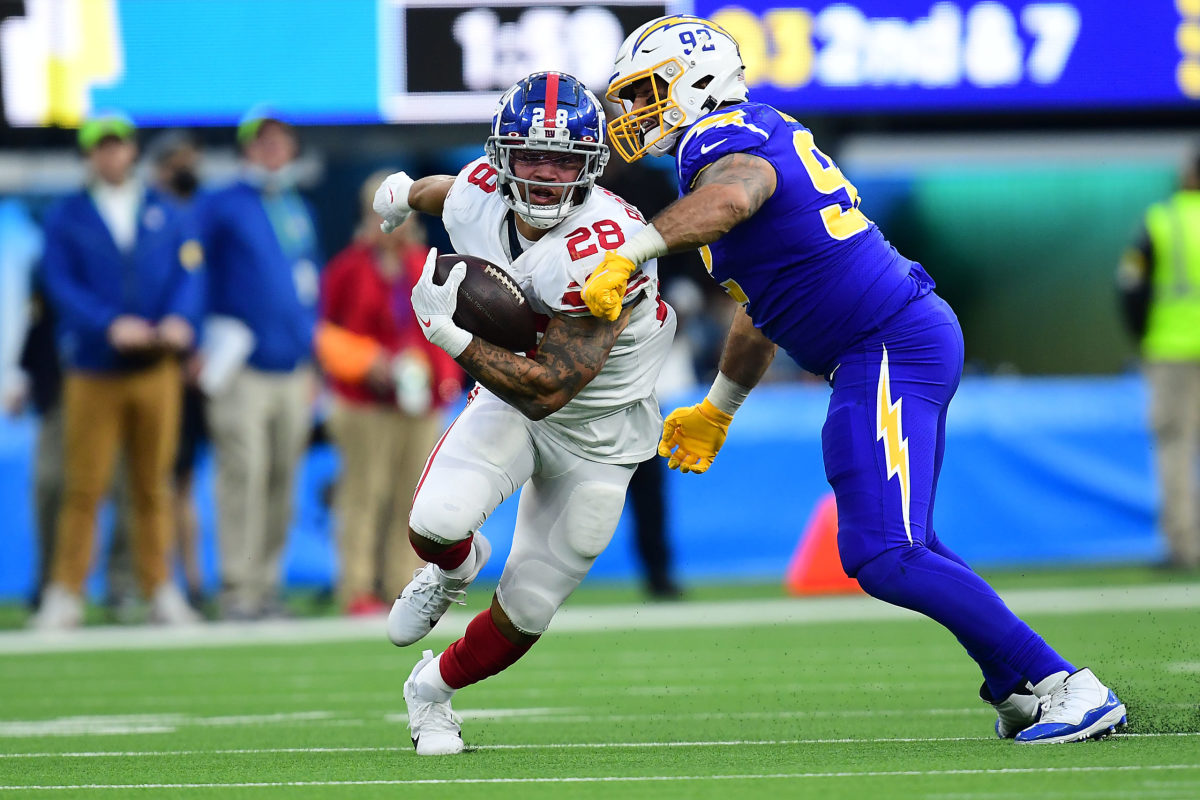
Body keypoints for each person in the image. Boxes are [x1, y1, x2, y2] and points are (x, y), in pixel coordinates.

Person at [581, 14, 1126, 745]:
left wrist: (639, 247)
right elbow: (761, 312)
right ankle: (1018, 682)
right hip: (875, 349)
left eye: (648, 91)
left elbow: (736, 196)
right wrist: (719, 406)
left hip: (889, 342)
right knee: (908, 544)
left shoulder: (722, 140)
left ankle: (1066, 685)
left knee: (883, 553)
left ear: (695, 80)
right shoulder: (724, 148)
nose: (638, 111)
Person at [372, 71, 676, 755]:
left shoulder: (608, 248)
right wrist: (398, 195)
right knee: (434, 525)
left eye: (563, 159)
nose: (543, 175)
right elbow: (445, 194)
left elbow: (553, 388)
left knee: (532, 604)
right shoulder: (481, 189)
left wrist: (450, 336)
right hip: (511, 403)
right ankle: (453, 569)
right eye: (530, 156)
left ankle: (431, 691)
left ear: (592, 166)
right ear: (500, 155)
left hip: (598, 426)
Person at [31, 113, 202, 629]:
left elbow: (190, 273)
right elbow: (59, 285)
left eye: (119, 146)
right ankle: (66, 592)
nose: (111, 155)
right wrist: (108, 324)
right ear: (89, 156)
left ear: (131, 152)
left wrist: (179, 318)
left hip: (155, 368)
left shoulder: (163, 210)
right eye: (100, 148)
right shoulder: (68, 216)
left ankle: (160, 589)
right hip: (94, 368)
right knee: (83, 485)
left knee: (153, 485)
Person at [316, 172, 464, 615]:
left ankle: (405, 586)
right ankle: (357, 588)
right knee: (362, 495)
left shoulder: (427, 262)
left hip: (420, 403)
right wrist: (368, 363)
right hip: (363, 401)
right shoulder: (349, 267)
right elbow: (325, 331)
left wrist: (435, 376)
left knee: (412, 502)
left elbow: (449, 325)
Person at [198, 108, 320, 620]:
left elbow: (308, 285)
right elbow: (192, 271)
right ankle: (236, 588)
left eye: (280, 142)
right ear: (247, 150)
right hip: (241, 364)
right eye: (262, 143)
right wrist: (198, 339)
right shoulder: (222, 204)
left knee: (281, 480)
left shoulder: (294, 206)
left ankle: (265, 586)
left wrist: (313, 358)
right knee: (242, 474)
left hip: (291, 366)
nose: (272, 151)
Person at [1118, 151, 1200, 571]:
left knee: (1175, 446)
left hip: (1173, 351)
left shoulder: (1163, 220)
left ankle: (1184, 547)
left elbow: (1131, 284)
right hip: (1175, 349)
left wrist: (1142, 334)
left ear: (1188, 174)